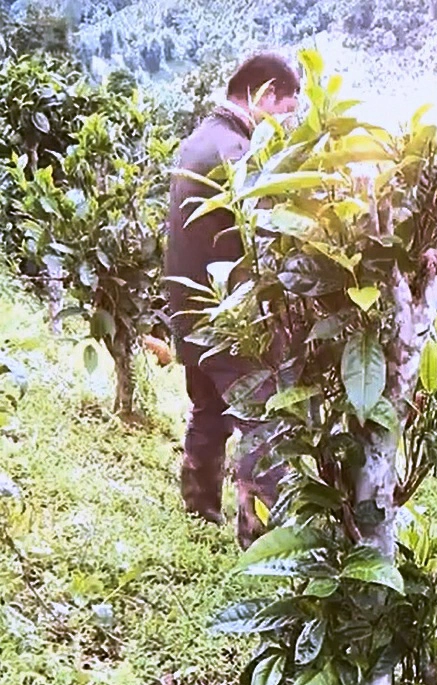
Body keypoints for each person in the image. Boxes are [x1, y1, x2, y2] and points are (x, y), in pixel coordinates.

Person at [165, 53, 300, 547]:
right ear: (263, 95)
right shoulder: (240, 154)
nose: (283, 123)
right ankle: (258, 539)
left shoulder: (197, 140)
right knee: (262, 424)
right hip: (228, 318)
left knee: (208, 410)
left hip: (187, 309)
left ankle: (198, 509)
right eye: (283, 110)